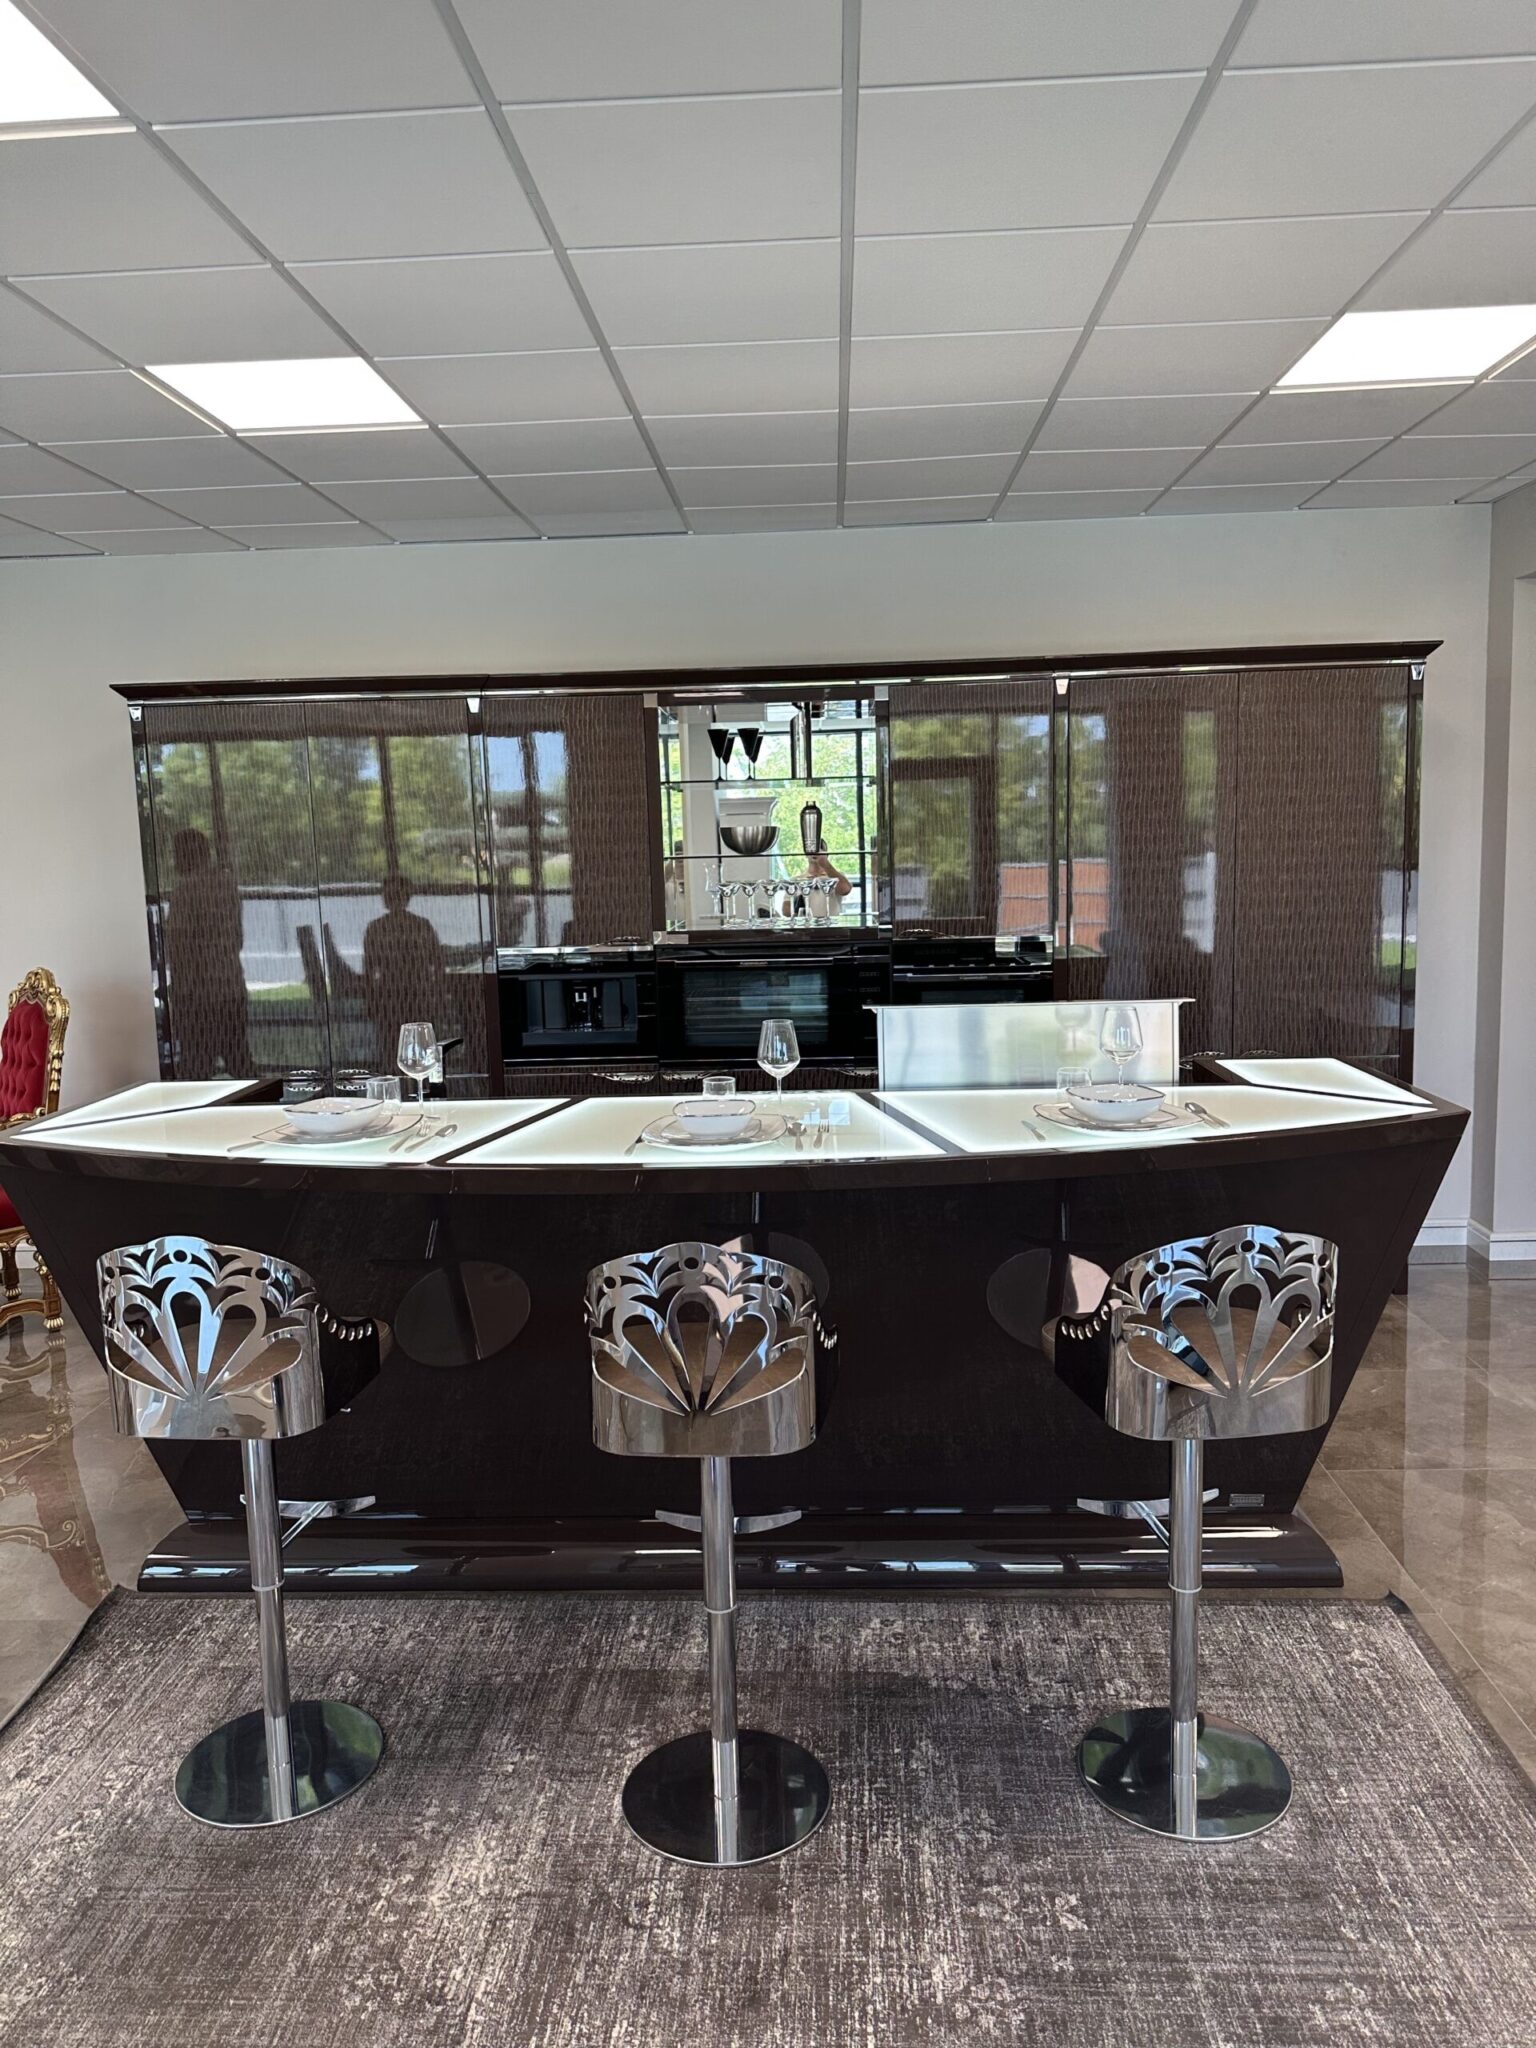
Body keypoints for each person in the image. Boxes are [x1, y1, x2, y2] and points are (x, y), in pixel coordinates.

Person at [163, 827, 251, 1077]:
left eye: (176, 854)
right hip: (231, 987)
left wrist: (179, 992)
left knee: (197, 1068)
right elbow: (237, 939)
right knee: (239, 1060)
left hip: (198, 996)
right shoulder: (227, 886)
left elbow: (180, 947)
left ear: (186, 855)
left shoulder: (185, 892)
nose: (174, 861)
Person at [362, 872, 449, 1071]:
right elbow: (438, 963)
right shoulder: (420, 926)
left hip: (401, 997)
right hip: (405, 997)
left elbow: (369, 970)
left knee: (399, 1050)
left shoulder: (378, 928)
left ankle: (407, 1077)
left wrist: (371, 999)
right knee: (410, 1050)